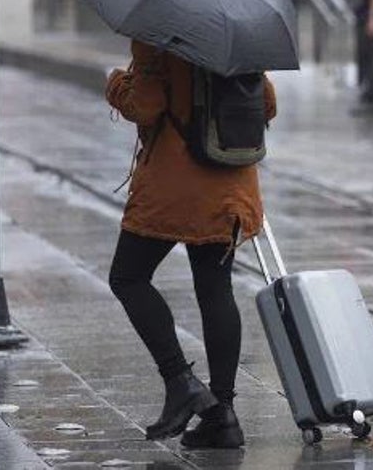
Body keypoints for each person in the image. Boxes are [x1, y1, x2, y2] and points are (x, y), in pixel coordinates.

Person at [105, 40, 277, 449]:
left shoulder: (159, 34)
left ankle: (179, 379)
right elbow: (267, 104)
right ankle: (224, 414)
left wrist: (115, 85)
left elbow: (145, 107)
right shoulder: (235, 38)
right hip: (232, 182)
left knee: (128, 277)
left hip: (177, 182)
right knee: (216, 288)